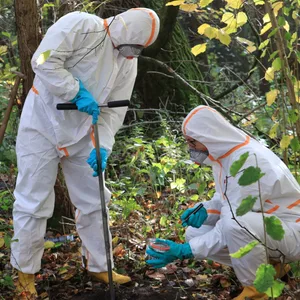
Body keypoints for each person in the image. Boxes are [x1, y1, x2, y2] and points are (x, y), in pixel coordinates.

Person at [11, 8, 160, 297]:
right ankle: (24, 274)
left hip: (84, 131)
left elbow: (116, 110)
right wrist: (75, 90)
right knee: (33, 201)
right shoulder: (80, 24)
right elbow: (41, 60)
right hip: (43, 122)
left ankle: (99, 264)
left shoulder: (128, 60)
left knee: (95, 198)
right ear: (122, 27)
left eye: (137, 50)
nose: (130, 54)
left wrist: (102, 144)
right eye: (130, 45)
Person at [146, 105, 300, 300]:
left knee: (234, 226)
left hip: (292, 232)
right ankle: (275, 268)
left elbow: (235, 219)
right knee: (195, 232)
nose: (191, 149)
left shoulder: (249, 161)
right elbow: (225, 199)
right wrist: (205, 211)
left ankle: (257, 292)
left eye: (193, 142)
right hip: (270, 227)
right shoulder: (224, 157)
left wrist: (185, 251)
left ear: (209, 136)